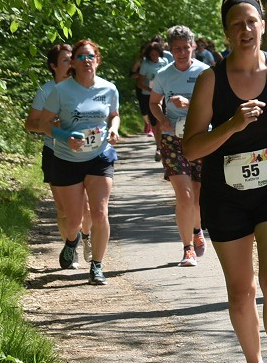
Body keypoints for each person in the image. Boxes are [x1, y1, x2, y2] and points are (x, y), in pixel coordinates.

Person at [183, 0, 267, 363]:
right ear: (226, 34)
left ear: (263, 26)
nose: (246, 29)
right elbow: (191, 149)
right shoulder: (210, 81)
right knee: (240, 291)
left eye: (251, 21)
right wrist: (232, 125)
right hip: (225, 195)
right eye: (237, 25)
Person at [38, 39, 120, 285]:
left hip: (100, 156)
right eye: (81, 57)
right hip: (67, 158)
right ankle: (72, 241)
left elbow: (114, 115)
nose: (86, 60)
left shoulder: (109, 89)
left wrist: (114, 130)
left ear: (97, 60)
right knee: (73, 220)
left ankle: (96, 266)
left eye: (91, 56)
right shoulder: (61, 91)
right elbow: (44, 123)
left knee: (99, 212)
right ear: (72, 62)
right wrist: (65, 136)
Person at [24, 43, 95, 265]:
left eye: (71, 59)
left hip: (86, 152)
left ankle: (86, 238)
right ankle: (70, 247)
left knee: (88, 206)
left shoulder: (86, 87)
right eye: (65, 60)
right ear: (53, 66)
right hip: (55, 152)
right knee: (64, 209)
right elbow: (30, 124)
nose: (71, 63)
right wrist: (52, 124)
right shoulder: (46, 91)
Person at [149, 25, 209, 268]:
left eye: (186, 48)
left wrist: (190, 104)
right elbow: (154, 103)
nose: (182, 53)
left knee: (196, 196)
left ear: (193, 47)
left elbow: (215, 104)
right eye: (177, 49)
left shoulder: (206, 73)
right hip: (173, 140)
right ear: (170, 50)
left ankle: (197, 229)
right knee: (184, 195)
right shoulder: (164, 75)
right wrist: (163, 121)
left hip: (201, 137)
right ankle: (187, 250)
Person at [138, 41, 171, 160]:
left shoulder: (165, 62)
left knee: (164, 120)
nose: (154, 57)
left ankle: (165, 145)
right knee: (155, 122)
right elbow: (140, 83)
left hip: (164, 95)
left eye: (156, 54)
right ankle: (158, 146)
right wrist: (151, 89)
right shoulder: (145, 65)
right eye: (152, 55)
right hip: (149, 96)